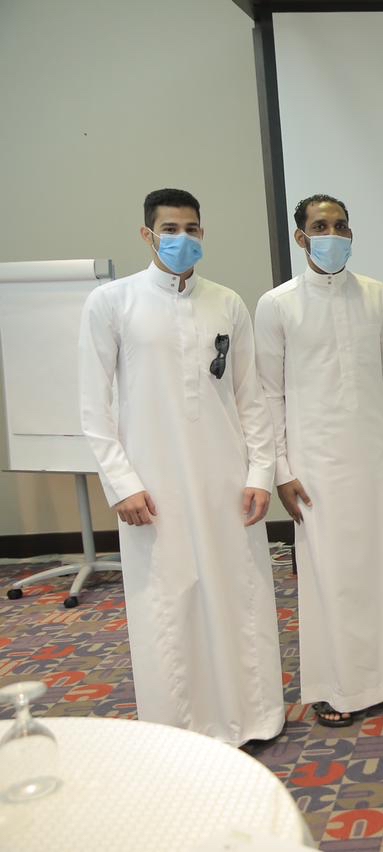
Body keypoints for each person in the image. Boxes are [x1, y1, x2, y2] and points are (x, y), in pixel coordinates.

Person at [79, 188, 284, 746]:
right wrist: (122, 484)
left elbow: (251, 398)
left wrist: (259, 474)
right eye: (170, 229)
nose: (182, 239)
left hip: (226, 480)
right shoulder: (111, 303)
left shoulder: (227, 303)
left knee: (238, 592)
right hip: (153, 484)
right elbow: (94, 408)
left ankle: (253, 717)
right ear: (147, 235)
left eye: (192, 229)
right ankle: (179, 733)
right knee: (168, 602)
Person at [255, 194, 383, 727]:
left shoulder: (376, 295)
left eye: (341, 226)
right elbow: (268, 394)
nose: (333, 235)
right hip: (315, 461)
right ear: (301, 237)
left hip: (377, 453)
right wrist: (281, 470)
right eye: (321, 226)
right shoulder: (277, 304)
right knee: (331, 573)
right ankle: (338, 685)